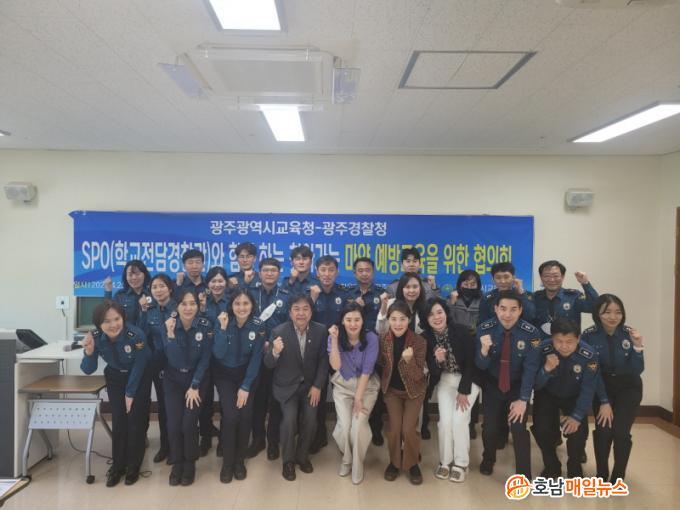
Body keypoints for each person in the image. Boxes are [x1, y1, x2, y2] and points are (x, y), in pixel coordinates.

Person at [80, 300, 151, 487]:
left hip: (138, 376)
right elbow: (88, 369)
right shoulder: (95, 337)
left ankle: (133, 465)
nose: (113, 325)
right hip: (115, 378)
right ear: (99, 324)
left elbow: (140, 363)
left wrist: (130, 393)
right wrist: (89, 352)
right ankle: (118, 465)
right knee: (119, 420)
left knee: (135, 420)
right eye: (107, 321)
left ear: (123, 318)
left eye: (117, 319)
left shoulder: (136, 335)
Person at [475, 290, 541, 478]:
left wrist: (523, 399)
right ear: (496, 309)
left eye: (513, 309)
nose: (507, 314)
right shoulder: (484, 329)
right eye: (503, 309)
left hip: (517, 387)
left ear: (520, 310)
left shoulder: (531, 333)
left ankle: (523, 474)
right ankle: (488, 459)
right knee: (489, 429)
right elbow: (480, 365)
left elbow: (531, 368)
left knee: (519, 428)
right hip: (493, 385)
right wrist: (484, 351)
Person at [263, 294, 329, 481]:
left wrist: (317, 386)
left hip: (310, 387)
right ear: (290, 312)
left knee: (311, 420)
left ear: (311, 312)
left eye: (305, 309)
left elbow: (323, 361)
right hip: (286, 386)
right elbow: (268, 364)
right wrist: (275, 352)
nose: (301, 313)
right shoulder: (278, 331)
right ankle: (288, 461)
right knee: (289, 420)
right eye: (296, 309)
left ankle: (302, 456)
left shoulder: (320, 331)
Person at [581, 294, 644, 482]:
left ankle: (618, 475)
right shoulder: (588, 336)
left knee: (620, 432)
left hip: (629, 388)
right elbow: (592, 372)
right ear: (598, 314)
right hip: (602, 387)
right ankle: (601, 473)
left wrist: (638, 347)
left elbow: (637, 370)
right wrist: (604, 401)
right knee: (603, 431)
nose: (613, 317)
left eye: (618, 312)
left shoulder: (629, 334)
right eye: (607, 312)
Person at [421, 298, 481, 483]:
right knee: (445, 423)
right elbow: (432, 371)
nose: (436, 317)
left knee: (459, 421)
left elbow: (472, 363)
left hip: (468, 380)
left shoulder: (462, 331)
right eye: (431, 315)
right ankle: (445, 461)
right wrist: (438, 361)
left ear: (446, 313)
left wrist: (464, 390)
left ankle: (461, 464)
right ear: (426, 319)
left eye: (439, 312)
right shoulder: (425, 338)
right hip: (446, 381)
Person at [532, 318, 599, 479]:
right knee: (541, 430)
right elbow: (535, 385)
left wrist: (576, 417)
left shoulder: (589, 355)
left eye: (569, 342)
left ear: (578, 338)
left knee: (578, 432)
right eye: (559, 341)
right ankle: (552, 465)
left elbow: (588, 389)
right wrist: (546, 369)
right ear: (552, 338)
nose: (564, 346)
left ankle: (574, 466)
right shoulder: (542, 349)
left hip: (574, 397)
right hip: (547, 394)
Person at [212, 289, 266, 483]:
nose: (241, 307)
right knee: (231, 416)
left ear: (252, 306)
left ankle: (239, 461)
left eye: (245, 303)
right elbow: (218, 354)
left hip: (247, 375)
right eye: (237, 303)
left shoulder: (258, 325)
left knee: (245, 416)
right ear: (231, 306)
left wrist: (245, 386)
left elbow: (256, 358)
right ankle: (227, 463)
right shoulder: (222, 321)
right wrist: (222, 329)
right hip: (224, 375)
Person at [161, 289, 213, 486]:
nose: (189, 308)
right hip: (173, 379)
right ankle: (177, 463)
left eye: (192, 303)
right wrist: (171, 334)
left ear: (198, 306)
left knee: (189, 423)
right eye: (184, 304)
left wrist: (195, 385)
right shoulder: (168, 325)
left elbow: (206, 358)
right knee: (174, 424)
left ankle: (190, 462)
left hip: (196, 380)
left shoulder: (205, 325)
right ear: (177, 306)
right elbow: (174, 359)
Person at [328, 303, 380, 484]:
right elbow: (335, 365)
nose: (353, 324)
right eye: (348, 320)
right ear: (342, 321)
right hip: (343, 386)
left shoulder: (371, 338)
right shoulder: (334, 337)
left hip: (366, 387)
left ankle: (358, 464)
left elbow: (367, 370)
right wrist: (334, 340)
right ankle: (347, 458)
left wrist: (358, 397)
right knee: (344, 426)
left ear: (363, 321)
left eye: (357, 319)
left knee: (357, 427)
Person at [377, 300, 427, 485]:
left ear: (409, 319)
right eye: (394, 319)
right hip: (392, 391)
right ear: (388, 320)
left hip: (414, 391)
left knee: (408, 429)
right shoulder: (383, 339)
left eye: (402, 319)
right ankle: (394, 462)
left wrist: (409, 361)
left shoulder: (419, 341)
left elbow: (418, 375)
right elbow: (380, 364)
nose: (398, 323)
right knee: (395, 429)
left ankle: (412, 463)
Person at [247, 257, 289, 460]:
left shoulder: (287, 296)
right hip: (255, 354)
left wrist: (273, 346)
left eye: (273, 270)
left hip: (279, 355)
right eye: (266, 270)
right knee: (257, 399)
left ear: (279, 273)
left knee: (276, 399)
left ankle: (273, 440)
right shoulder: (250, 293)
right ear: (259, 272)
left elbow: (290, 325)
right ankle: (258, 439)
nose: (269, 273)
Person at [309, 255, 350, 453]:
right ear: (317, 272)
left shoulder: (343, 294)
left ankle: (345, 438)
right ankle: (318, 436)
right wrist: (312, 299)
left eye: (331, 270)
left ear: (336, 272)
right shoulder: (310, 293)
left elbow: (350, 321)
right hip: (314, 353)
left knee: (342, 394)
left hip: (338, 352)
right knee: (317, 394)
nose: (326, 274)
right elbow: (301, 318)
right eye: (323, 270)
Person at [137, 273, 176, 463]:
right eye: (154, 287)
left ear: (170, 289)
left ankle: (177, 446)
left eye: (162, 286)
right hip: (157, 363)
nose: (158, 290)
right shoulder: (150, 310)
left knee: (175, 407)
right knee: (162, 406)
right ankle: (165, 446)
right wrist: (143, 311)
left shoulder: (179, 308)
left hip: (176, 362)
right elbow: (142, 334)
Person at [197, 266, 231, 457]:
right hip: (205, 357)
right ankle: (205, 437)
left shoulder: (232, 301)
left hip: (225, 357)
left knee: (226, 401)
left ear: (226, 282)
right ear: (207, 283)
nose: (217, 285)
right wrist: (201, 309)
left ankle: (225, 440)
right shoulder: (202, 301)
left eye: (220, 281)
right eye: (213, 281)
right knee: (205, 400)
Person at [447, 270, 483, 439]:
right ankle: (454, 419)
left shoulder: (483, 300)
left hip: (476, 346)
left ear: (478, 285)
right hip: (457, 346)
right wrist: (452, 303)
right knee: (455, 382)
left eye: (472, 284)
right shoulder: (453, 299)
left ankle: (471, 423)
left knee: (473, 384)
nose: (469, 287)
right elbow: (445, 321)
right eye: (465, 283)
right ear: (459, 284)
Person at [532, 260, 599, 338]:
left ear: (562, 277)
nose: (552, 280)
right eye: (547, 276)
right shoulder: (535, 298)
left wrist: (586, 283)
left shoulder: (573, 297)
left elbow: (595, 307)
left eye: (555, 276)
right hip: (542, 344)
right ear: (541, 278)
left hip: (568, 344)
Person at [103, 259, 151, 326]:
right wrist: (108, 291)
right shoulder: (120, 295)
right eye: (130, 275)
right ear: (126, 277)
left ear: (144, 275)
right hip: (126, 332)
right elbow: (108, 314)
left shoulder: (152, 294)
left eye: (137, 274)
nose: (134, 278)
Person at [348, 257, 385, 333]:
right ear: (355, 273)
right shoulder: (348, 293)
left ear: (373, 272)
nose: (364, 274)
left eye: (367, 270)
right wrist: (355, 307)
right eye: (360, 271)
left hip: (376, 337)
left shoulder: (382, 294)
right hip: (353, 337)